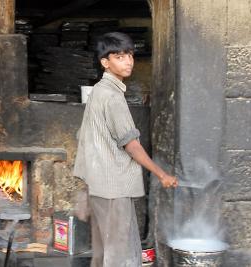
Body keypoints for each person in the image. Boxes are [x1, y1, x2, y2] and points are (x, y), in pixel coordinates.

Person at [73, 32, 178, 267]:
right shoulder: (112, 97)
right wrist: (162, 175)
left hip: (99, 184)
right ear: (105, 62)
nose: (128, 61)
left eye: (130, 55)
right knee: (120, 254)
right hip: (112, 186)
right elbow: (131, 145)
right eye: (119, 56)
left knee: (102, 252)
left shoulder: (98, 91)